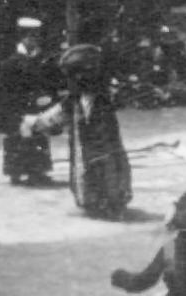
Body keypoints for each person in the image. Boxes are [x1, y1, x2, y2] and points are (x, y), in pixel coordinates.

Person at [26, 44, 132, 220]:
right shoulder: (97, 97)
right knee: (108, 165)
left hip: (93, 143)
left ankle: (101, 201)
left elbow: (53, 119)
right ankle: (109, 200)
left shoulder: (82, 99)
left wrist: (34, 123)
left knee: (96, 166)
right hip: (102, 141)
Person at [0, 17, 56, 186]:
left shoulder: (42, 59)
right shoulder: (11, 62)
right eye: (28, 36)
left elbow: (48, 82)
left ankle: (37, 171)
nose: (32, 40)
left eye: (35, 37)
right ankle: (16, 172)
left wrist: (47, 97)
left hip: (36, 106)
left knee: (37, 136)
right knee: (16, 137)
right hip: (16, 106)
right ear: (21, 38)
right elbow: (5, 90)